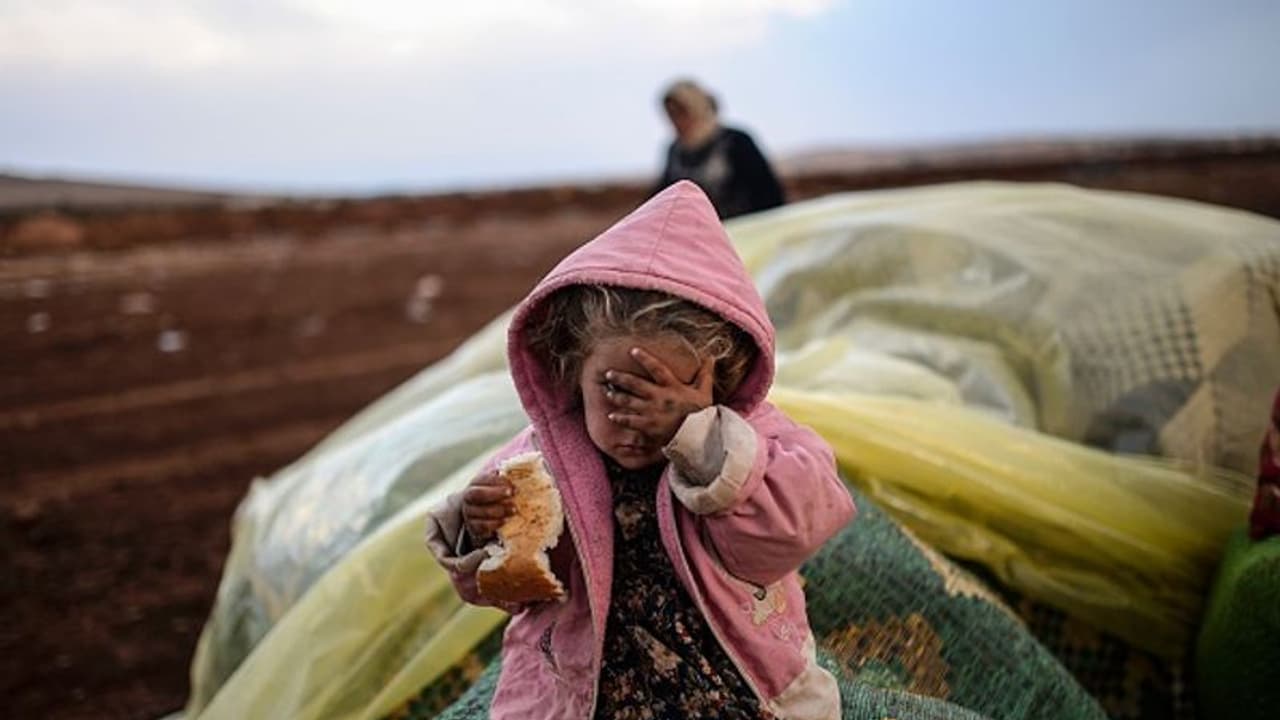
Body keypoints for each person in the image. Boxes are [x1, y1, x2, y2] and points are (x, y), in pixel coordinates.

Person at [426, 180, 855, 719]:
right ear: (569, 369)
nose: (641, 420)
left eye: (673, 395)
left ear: (720, 380)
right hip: (582, 696)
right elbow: (509, 588)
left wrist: (697, 439)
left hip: (731, 692)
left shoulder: (756, 440)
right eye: (615, 390)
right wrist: (480, 528)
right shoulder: (542, 461)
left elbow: (776, 540)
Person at [652, 79, 787, 219]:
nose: (677, 121)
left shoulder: (736, 141)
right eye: (672, 114)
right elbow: (663, 198)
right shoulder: (675, 151)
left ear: (697, 107)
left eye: (682, 112)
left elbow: (769, 194)